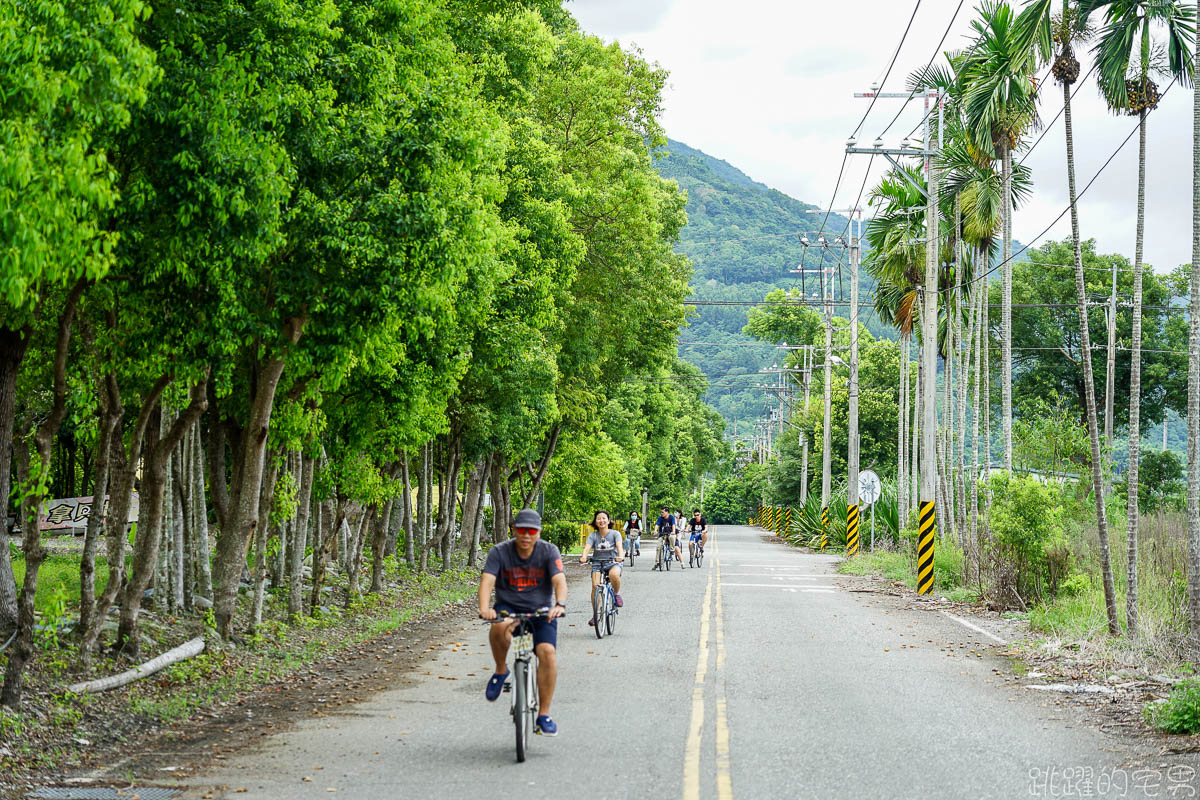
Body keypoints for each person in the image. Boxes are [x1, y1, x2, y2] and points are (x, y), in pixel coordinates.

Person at [478, 508, 567, 737]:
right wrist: (485, 608)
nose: (526, 536)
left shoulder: (549, 551)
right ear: (514, 530)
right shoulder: (500, 552)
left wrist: (560, 604)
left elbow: (559, 580)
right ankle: (500, 670)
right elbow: (487, 581)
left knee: (547, 652)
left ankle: (543, 715)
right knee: (498, 626)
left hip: (541, 612)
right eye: (521, 530)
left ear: (538, 532)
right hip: (509, 609)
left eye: (531, 531)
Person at [579, 510, 624, 624]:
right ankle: (595, 614)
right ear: (595, 521)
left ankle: (617, 594)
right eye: (598, 518)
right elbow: (587, 548)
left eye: (604, 518)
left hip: (613, 562)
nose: (601, 520)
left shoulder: (615, 534)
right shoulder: (593, 536)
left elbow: (619, 546)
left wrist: (620, 556)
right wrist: (584, 557)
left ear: (608, 521)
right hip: (597, 563)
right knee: (595, 585)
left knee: (614, 574)